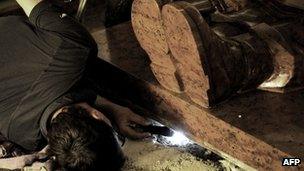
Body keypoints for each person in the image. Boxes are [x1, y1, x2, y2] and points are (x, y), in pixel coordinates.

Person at [0, 0, 151, 170]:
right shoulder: (25, 136)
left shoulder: (74, 49)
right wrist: (115, 109)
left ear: (96, 115)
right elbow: (56, 103)